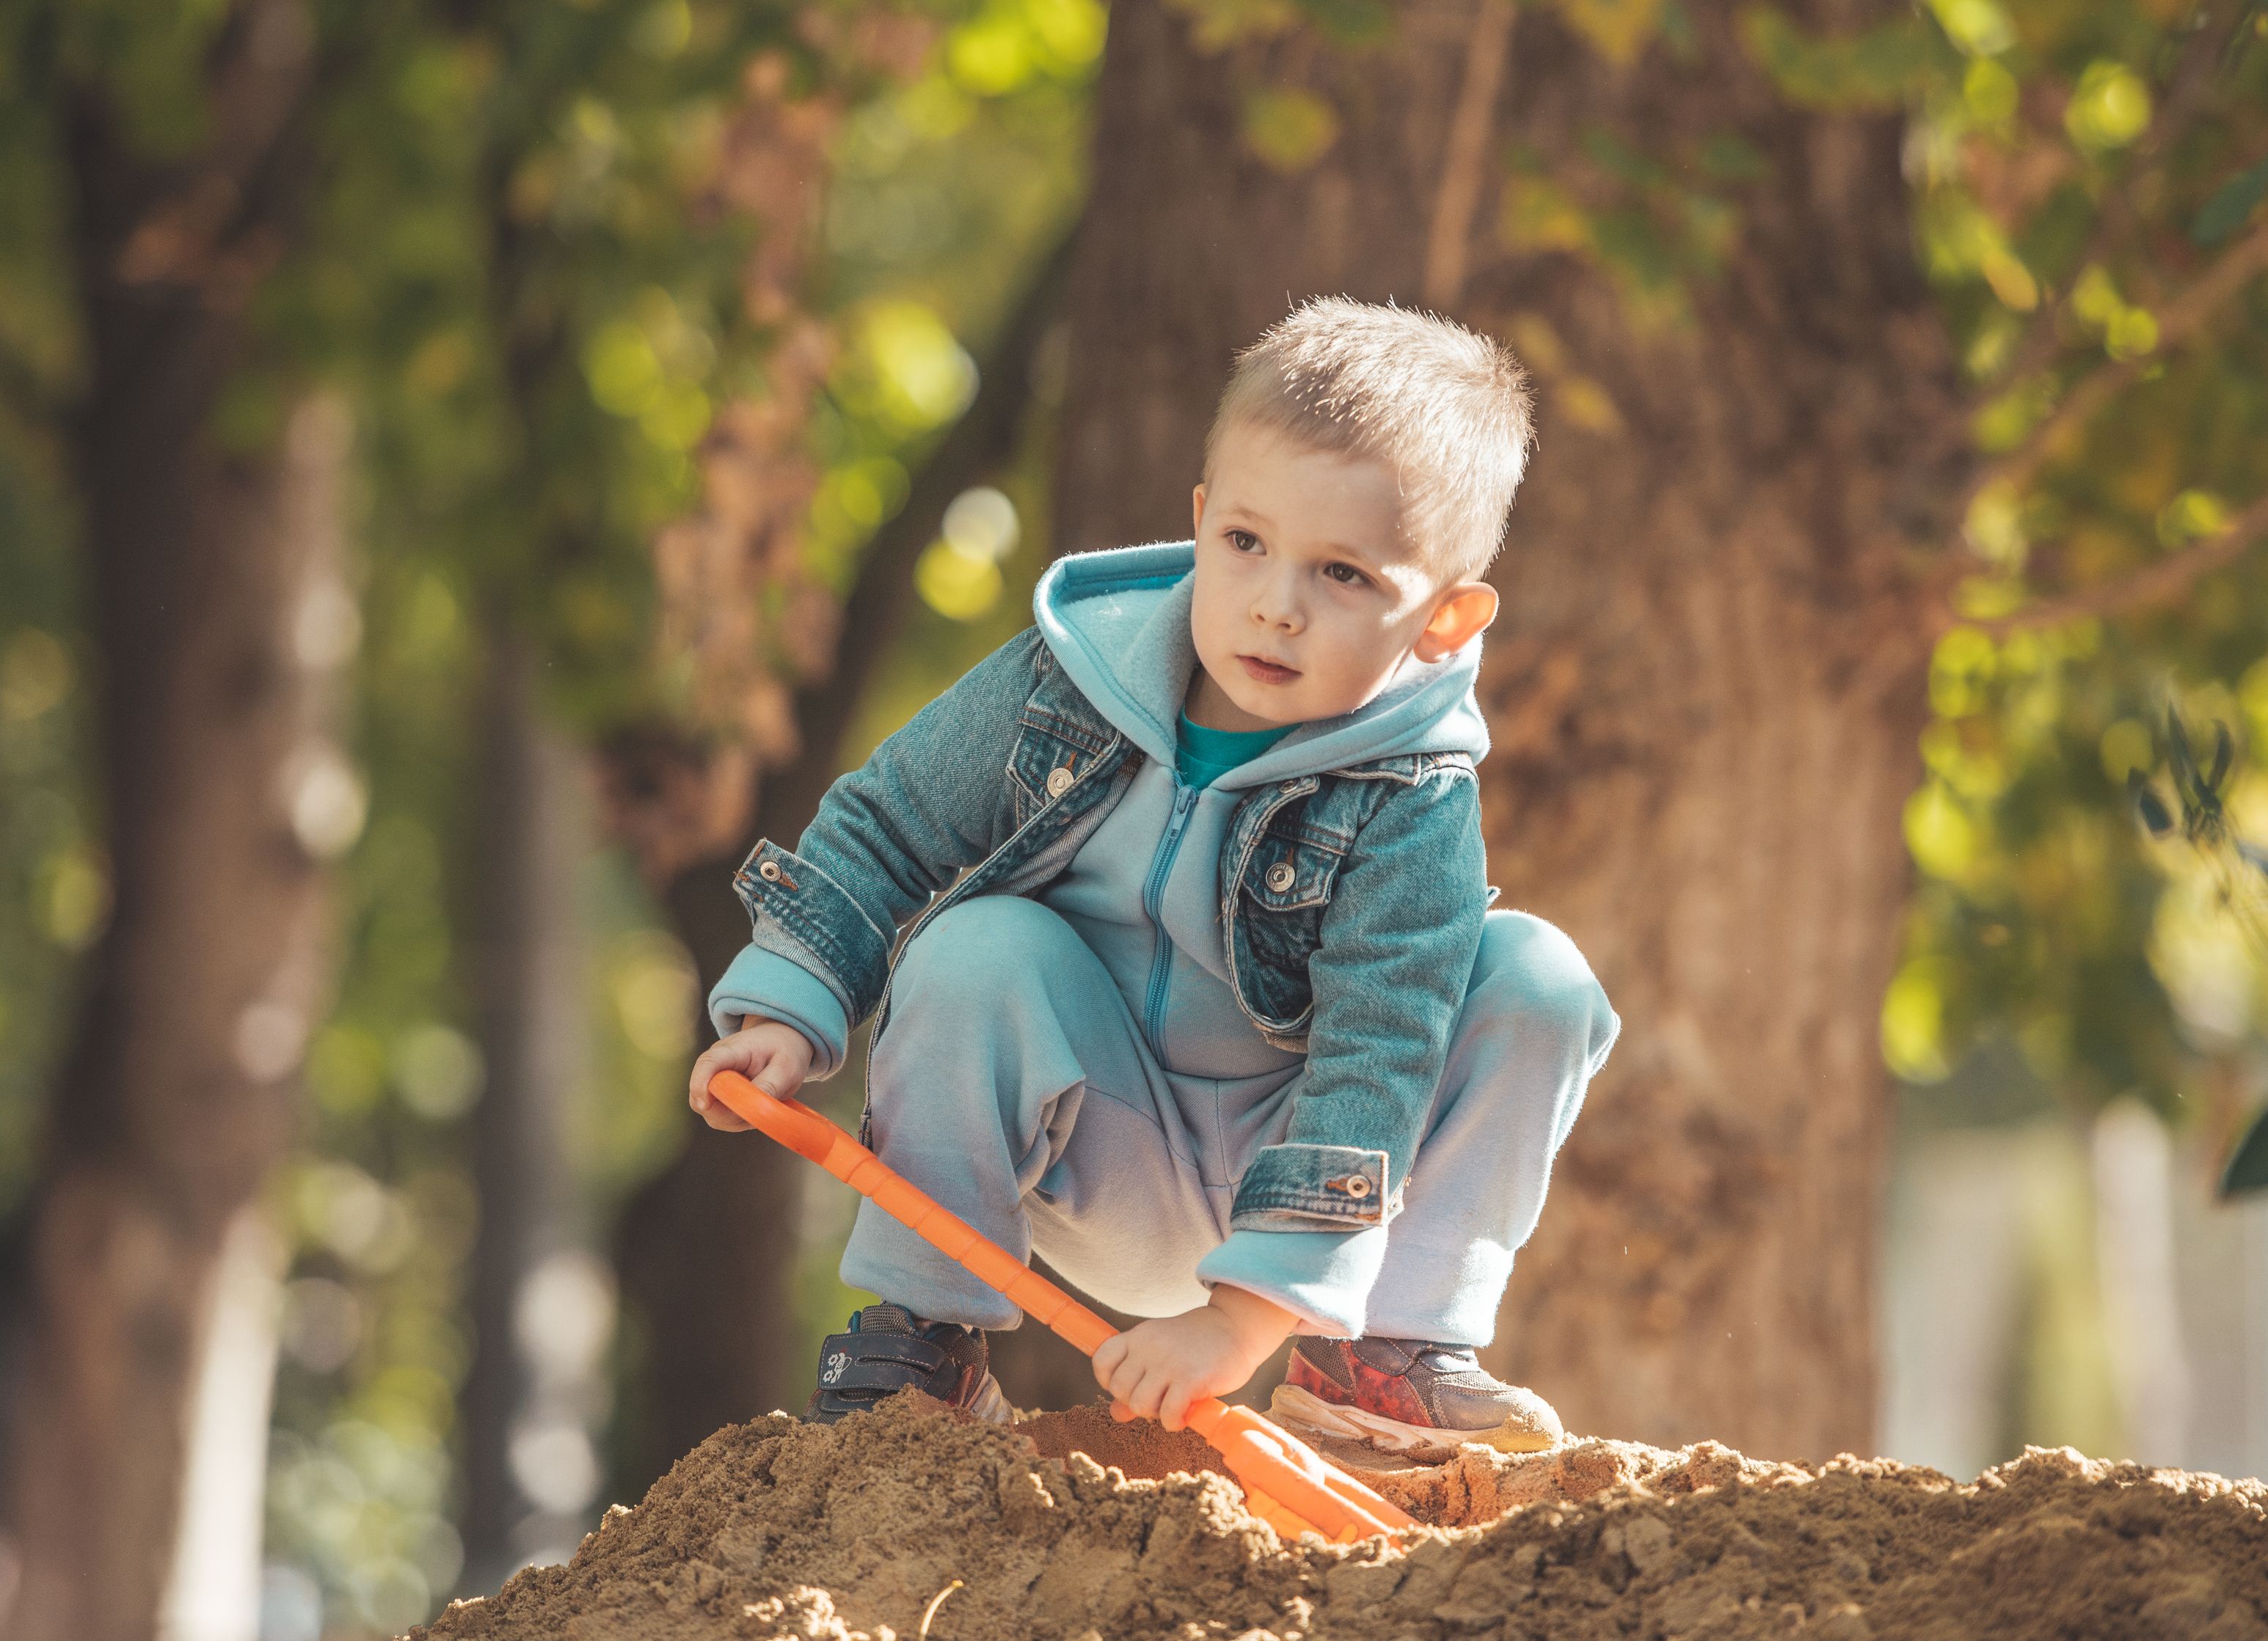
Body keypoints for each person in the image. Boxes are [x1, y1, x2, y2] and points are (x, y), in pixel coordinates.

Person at [688, 296, 1619, 1458]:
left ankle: (1384, 1364)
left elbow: (1378, 1056)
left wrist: (1241, 1322)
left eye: (1342, 574)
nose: (1276, 603)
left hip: (1304, 1184)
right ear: (1198, 521)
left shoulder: (1412, 797)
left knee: (1538, 976)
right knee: (976, 947)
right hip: (1094, 1141)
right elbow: (890, 821)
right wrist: (788, 1004)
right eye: (1245, 543)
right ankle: (926, 1342)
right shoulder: (1074, 677)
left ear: (1442, 620)